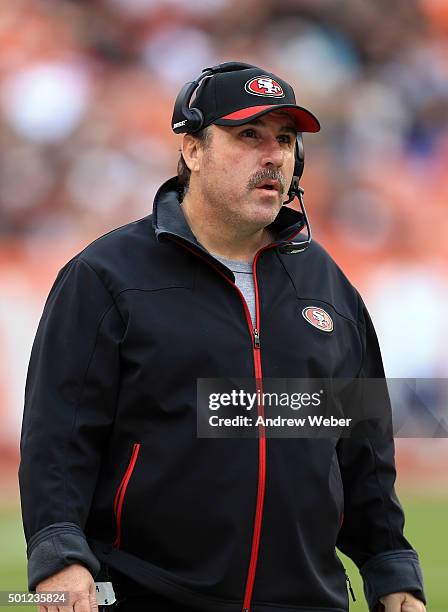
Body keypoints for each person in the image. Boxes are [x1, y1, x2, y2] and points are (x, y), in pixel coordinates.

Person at [19, 62, 426, 612]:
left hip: (308, 599)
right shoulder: (106, 276)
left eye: (285, 139)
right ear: (191, 150)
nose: (274, 156)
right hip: (148, 593)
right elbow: (60, 434)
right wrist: (58, 553)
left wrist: (390, 567)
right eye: (248, 136)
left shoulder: (327, 284)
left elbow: (362, 449)